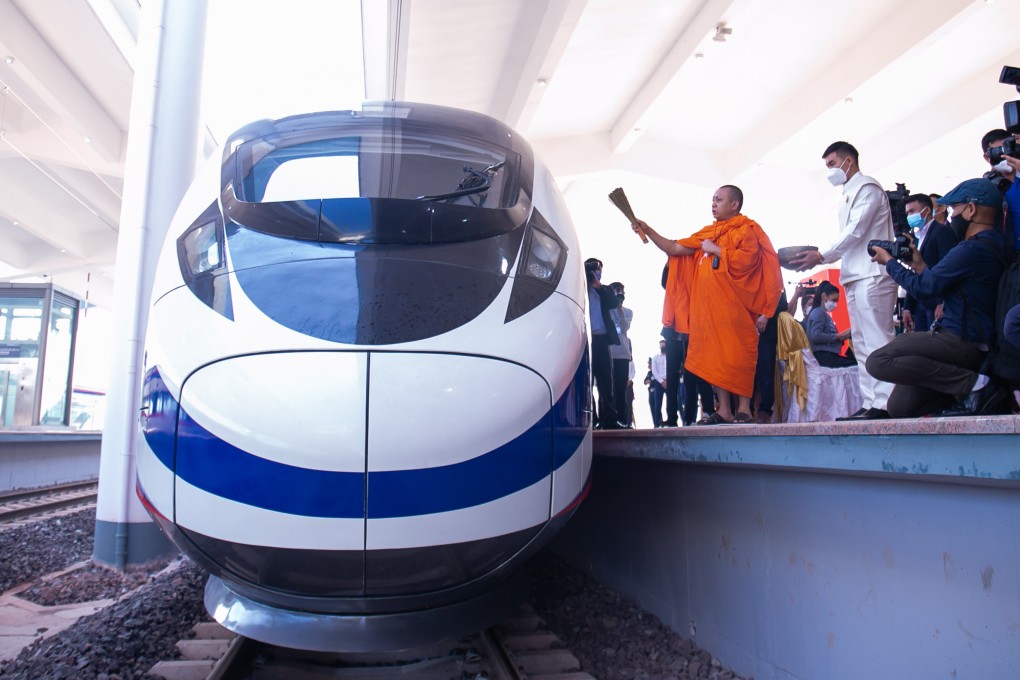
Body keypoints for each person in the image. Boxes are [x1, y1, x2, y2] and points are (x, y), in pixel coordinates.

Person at [634, 185, 783, 424]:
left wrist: (716, 249)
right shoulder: (708, 232)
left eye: (719, 200)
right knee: (714, 357)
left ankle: (744, 408)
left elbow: (748, 261)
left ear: (734, 205)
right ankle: (724, 409)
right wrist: (647, 229)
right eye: (712, 200)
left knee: (740, 354)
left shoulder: (746, 229)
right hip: (708, 311)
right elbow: (674, 247)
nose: (713, 204)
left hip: (736, 308)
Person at [865, 178, 1010, 417]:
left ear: (971, 210)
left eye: (955, 209)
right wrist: (919, 264)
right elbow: (949, 286)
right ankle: (960, 393)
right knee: (900, 407)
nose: (952, 216)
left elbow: (924, 288)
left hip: (960, 340)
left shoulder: (970, 250)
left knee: (879, 360)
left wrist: (890, 263)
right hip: (978, 341)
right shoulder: (996, 244)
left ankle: (976, 386)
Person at [790, 141, 898, 420]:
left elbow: (856, 231)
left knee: (877, 340)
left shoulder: (868, 188)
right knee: (861, 343)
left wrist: (822, 255)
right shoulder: (849, 193)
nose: (830, 172)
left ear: (848, 161)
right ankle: (871, 400)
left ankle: (887, 403)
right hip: (855, 275)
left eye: (832, 164)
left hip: (873, 273)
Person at [900, 194, 960, 333]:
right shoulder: (913, 238)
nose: (909, 216)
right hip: (919, 303)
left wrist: (942, 302)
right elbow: (914, 272)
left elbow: (948, 271)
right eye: (907, 213)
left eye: (912, 211)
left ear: (926, 211)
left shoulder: (943, 232)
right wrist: (908, 307)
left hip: (936, 304)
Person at [585, 258, 623, 429]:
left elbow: (614, 303)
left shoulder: (605, 290)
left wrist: (598, 287)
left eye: (599, 269)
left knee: (606, 382)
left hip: (602, 340)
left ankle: (609, 420)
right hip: (586, 341)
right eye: (594, 269)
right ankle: (590, 420)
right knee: (587, 381)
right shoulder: (581, 290)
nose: (597, 272)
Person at [805, 281, 856, 368]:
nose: (835, 304)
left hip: (830, 356)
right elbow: (816, 336)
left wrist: (846, 334)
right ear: (824, 296)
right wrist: (838, 336)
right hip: (825, 357)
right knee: (856, 366)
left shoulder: (824, 314)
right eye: (834, 300)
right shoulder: (818, 312)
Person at [608, 281, 634, 427]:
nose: (620, 293)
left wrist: (619, 308)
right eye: (617, 290)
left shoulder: (628, 311)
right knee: (607, 390)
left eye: (622, 291)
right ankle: (607, 420)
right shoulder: (605, 310)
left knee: (620, 390)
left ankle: (622, 421)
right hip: (609, 354)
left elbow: (624, 327)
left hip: (622, 354)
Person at [648, 341, 667, 427]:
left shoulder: (670, 357)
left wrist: (667, 380)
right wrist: (662, 381)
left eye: (664, 345)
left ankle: (672, 422)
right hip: (659, 382)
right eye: (661, 345)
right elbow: (654, 371)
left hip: (669, 382)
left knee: (672, 402)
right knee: (657, 404)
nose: (662, 346)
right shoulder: (655, 358)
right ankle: (656, 424)